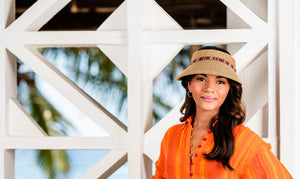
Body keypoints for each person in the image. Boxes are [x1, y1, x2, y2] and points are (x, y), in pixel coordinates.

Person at [152, 46, 292, 178]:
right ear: (189, 84)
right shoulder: (171, 136)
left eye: (220, 82)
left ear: (229, 89)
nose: (209, 88)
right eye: (201, 79)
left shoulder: (243, 140)